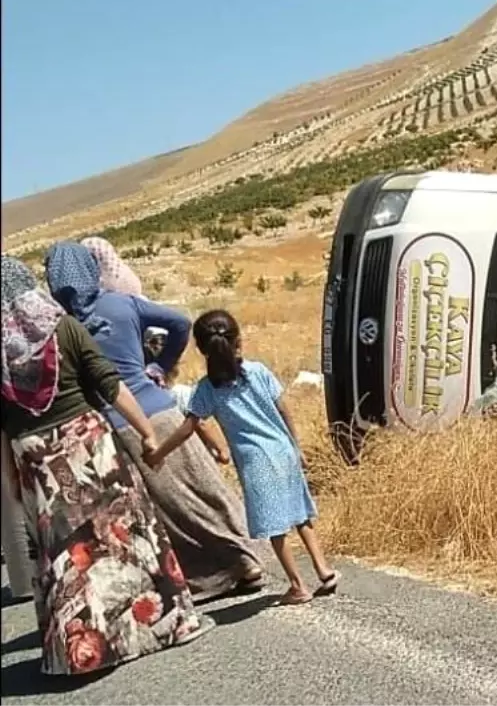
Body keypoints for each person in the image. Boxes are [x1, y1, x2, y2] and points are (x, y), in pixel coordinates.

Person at [0, 256, 212, 676]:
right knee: (125, 537)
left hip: (36, 460)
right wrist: (148, 434)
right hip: (91, 445)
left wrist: (13, 481)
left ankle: (79, 655)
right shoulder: (63, 326)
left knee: (66, 556)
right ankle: (163, 626)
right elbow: (108, 383)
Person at [43, 242, 264, 601]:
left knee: (171, 507)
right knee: (204, 487)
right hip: (163, 411)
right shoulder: (120, 303)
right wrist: (158, 366)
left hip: (121, 426)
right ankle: (248, 558)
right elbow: (179, 323)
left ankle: (214, 574)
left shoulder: (62, 327)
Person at [145, 310, 340, 606]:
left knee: (276, 529)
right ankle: (324, 570)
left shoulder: (206, 390)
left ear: (200, 349)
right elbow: (284, 408)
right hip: (283, 449)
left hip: (255, 461)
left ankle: (297, 585)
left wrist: (158, 453)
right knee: (301, 515)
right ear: (239, 342)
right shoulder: (258, 371)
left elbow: (188, 429)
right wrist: (296, 445)